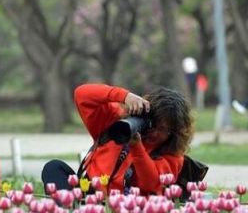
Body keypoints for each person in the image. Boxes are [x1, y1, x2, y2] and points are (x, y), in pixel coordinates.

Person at [41, 83, 194, 195]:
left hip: (126, 207)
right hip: (89, 195)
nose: (154, 133)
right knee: (53, 167)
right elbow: (81, 94)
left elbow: (150, 184)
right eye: (152, 125)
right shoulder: (116, 121)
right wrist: (124, 96)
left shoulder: (173, 155)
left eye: (163, 129)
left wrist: (137, 146)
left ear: (174, 133)